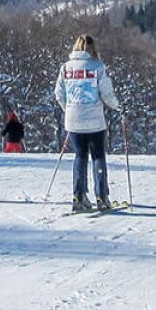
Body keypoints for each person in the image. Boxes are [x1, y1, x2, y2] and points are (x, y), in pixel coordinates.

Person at [54, 34, 120, 212]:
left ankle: (78, 195)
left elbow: (59, 93)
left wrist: (68, 109)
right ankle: (101, 196)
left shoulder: (66, 68)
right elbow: (106, 94)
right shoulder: (97, 67)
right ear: (92, 48)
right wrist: (118, 107)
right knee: (98, 156)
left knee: (80, 156)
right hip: (94, 120)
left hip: (73, 119)